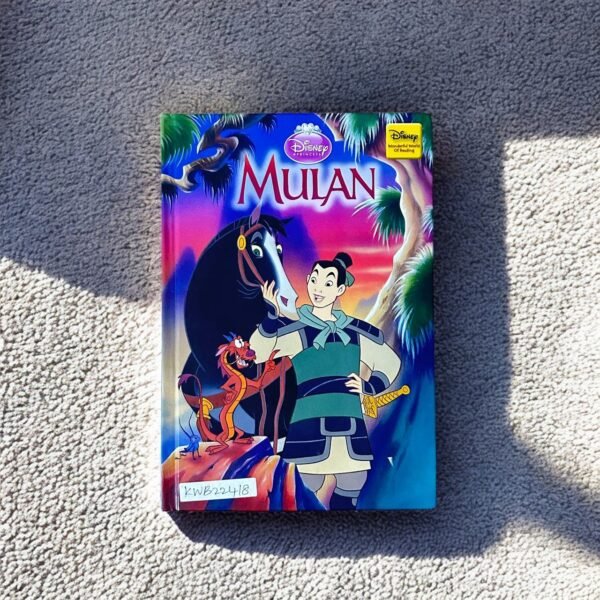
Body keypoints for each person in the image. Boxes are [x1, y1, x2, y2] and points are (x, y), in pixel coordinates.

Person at [249, 252, 401, 509]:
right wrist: (271, 318)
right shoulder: (298, 332)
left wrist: (369, 386)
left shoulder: (354, 331)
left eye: (328, 283)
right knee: (302, 488)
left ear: (340, 289)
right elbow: (257, 353)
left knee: (352, 484)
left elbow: (389, 362)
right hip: (308, 425)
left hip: (348, 427)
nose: (319, 288)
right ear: (308, 281)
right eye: (315, 280)